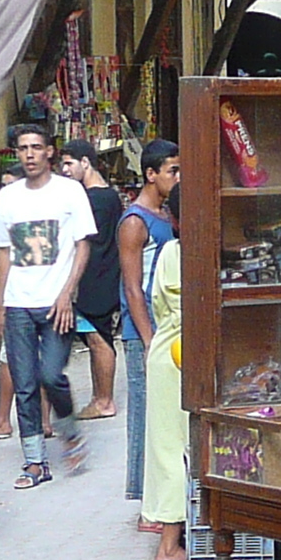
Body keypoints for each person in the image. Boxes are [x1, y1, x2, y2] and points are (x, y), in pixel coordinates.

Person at [0, 121, 95, 489]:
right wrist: (0, 304)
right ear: (16, 154)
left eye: (36, 147)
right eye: (23, 149)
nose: (30, 155)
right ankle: (35, 461)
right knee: (24, 383)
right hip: (19, 302)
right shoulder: (8, 197)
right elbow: (3, 251)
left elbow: (83, 244)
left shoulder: (69, 192)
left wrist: (68, 293)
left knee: (51, 374)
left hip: (56, 302)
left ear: (50, 151)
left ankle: (68, 430)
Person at [117, 140, 181, 521]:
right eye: (172, 171)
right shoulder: (136, 222)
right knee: (144, 414)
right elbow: (132, 287)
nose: (178, 178)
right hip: (146, 330)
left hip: (169, 327)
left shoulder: (167, 214)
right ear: (151, 174)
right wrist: (147, 338)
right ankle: (146, 505)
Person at [141, 208, 190, 560]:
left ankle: (165, 530)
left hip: (164, 354)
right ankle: (169, 548)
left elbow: (156, 303)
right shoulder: (196, 252)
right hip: (183, 355)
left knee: (165, 448)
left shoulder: (169, 251)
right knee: (177, 451)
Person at [62, 141, 126, 419]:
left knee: (99, 339)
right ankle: (99, 398)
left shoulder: (95, 199)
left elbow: (90, 245)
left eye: (69, 164)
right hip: (100, 278)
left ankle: (103, 401)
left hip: (95, 281)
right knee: (96, 339)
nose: (65, 170)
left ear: (85, 162)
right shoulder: (105, 196)